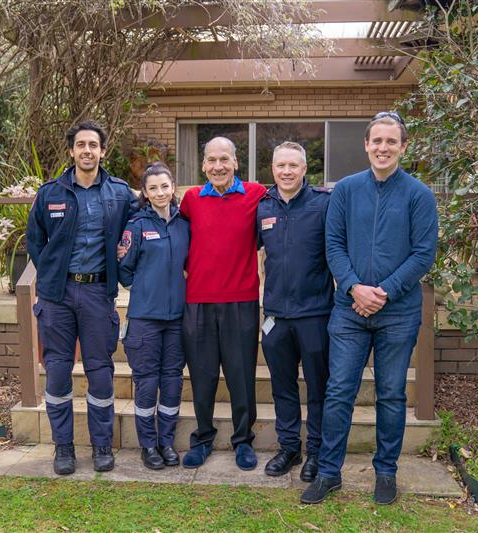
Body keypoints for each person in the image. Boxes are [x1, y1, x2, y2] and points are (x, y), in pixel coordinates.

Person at [300, 112, 438, 505]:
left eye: (391, 141)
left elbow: (423, 254)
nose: (383, 148)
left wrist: (384, 292)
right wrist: (355, 288)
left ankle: (386, 473)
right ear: (366, 145)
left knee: (391, 394)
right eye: (376, 141)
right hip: (348, 311)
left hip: (398, 313)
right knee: (339, 390)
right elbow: (334, 246)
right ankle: (329, 472)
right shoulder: (345, 190)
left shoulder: (418, 194)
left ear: (403, 147)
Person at [26, 119, 138, 475]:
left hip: (97, 293)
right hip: (57, 297)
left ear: (102, 151)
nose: (87, 150)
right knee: (58, 374)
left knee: (101, 373)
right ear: (72, 151)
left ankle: (102, 444)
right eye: (81, 145)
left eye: (94, 145)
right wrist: (51, 274)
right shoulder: (50, 193)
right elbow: (35, 240)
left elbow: (139, 225)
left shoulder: (119, 193)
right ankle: (63, 448)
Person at [178, 136, 267, 470]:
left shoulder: (257, 195)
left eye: (224, 159)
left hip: (241, 300)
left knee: (241, 375)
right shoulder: (190, 200)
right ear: (203, 165)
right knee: (202, 376)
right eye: (211, 160)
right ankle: (202, 438)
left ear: (235, 162)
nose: (218, 166)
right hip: (197, 300)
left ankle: (243, 441)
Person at [256, 142, 332, 481]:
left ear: (305, 169)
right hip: (275, 315)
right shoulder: (262, 206)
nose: (286, 171)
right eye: (280, 165)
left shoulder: (323, 204)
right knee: (282, 385)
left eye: (293, 166)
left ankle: (315, 451)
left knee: (318, 386)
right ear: (272, 168)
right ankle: (289, 447)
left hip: (314, 313)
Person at [118, 162, 189, 470]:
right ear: (144, 193)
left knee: (173, 381)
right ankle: (148, 445)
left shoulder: (184, 223)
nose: (160, 192)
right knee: (147, 382)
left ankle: (166, 442)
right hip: (145, 318)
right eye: (153, 188)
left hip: (177, 318)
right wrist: (146, 288)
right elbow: (123, 269)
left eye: (165, 186)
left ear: (173, 188)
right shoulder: (136, 226)